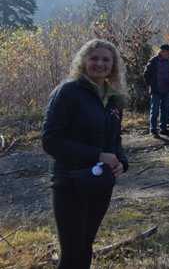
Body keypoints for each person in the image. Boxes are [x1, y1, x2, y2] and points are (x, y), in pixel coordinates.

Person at [42, 39, 128, 269]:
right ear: (83, 61)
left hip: (99, 183)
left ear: (113, 65)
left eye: (106, 59)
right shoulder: (68, 92)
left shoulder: (114, 99)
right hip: (69, 182)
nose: (100, 63)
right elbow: (50, 141)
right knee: (72, 253)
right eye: (94, 58)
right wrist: (97, 156)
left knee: (85, 247)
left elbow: (115, 139)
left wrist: (122, 161)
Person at [144, 44, 169, 137]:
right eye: (167, 52)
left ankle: (163, 128)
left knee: (165, 110)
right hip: (156, 89)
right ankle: (153, 129)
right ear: (162, 51)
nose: (168, 54)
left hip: (167, 89)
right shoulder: (153, 61)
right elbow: (146, 74)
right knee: (155, 110)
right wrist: (150, 84)